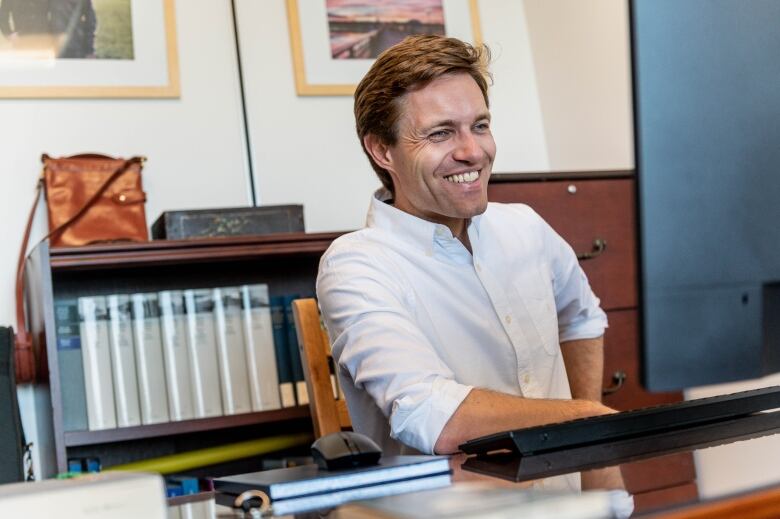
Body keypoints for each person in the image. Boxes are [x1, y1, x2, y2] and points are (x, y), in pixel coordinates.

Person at [316, 35, 614, 456]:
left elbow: (581, 318)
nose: (473, 152)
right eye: (441, 134)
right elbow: (431, 415)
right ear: (382, 149)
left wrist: (593, 461)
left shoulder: (525, 227)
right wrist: (585, 419)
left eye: (480, 126)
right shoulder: (356, 266)